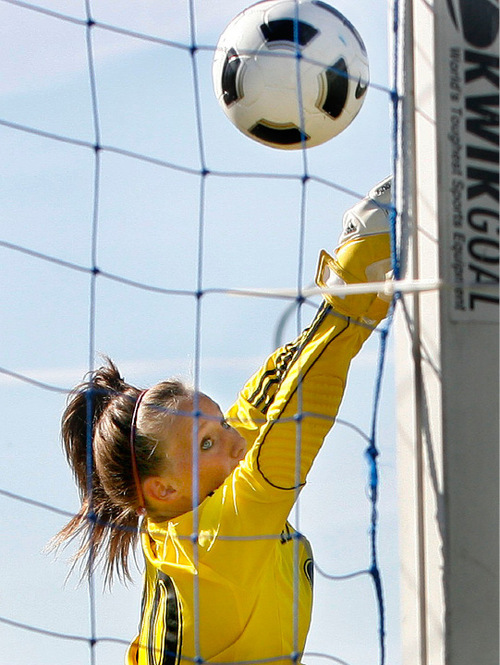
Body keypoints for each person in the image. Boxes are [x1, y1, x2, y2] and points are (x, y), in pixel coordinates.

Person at [53, 177, 393, 664]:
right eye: (208, 443)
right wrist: (359, 285)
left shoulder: (186, 512)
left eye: (219, 426)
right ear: (162, 489)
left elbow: (264, 404)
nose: (234, 442)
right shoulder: (219, 534)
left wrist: (353, 280)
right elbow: (301, 415)